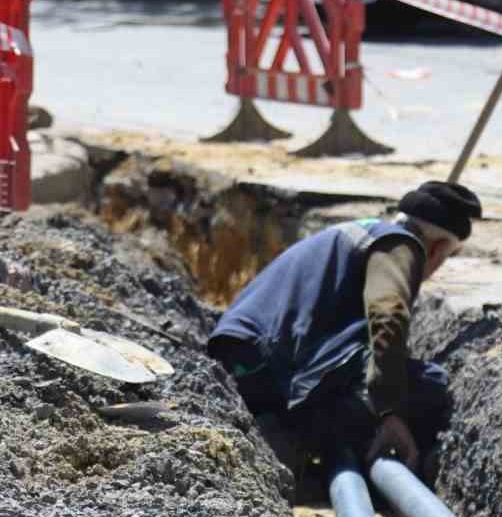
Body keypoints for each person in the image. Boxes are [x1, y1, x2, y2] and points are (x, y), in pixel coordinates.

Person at [207, 181, 483, 487]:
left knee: (371, 376)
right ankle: (299, 437)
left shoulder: (359, 232)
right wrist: (390, 413)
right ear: (438, 248)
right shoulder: (400, 244)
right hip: (268, 365)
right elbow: (387, 314)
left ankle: (294, 437)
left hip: (239, 362)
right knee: (429, 383)